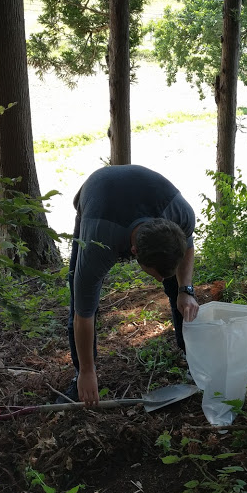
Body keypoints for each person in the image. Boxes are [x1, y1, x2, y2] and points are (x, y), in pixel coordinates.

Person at [61, 164, 199, 405]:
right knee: (79, 295)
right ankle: (80, 376)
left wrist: (185, 289)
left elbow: (187, 246)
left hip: (152, 194)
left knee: (179, 289)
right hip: (98, 199)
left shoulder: (181, 214)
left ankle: (193, 358)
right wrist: (87, 371)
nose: (160, 280)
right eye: (156, 275)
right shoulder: (97, 243)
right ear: (134, 253)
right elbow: (84, 315)